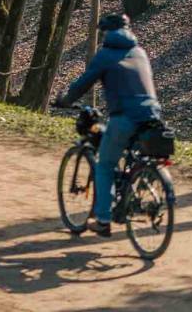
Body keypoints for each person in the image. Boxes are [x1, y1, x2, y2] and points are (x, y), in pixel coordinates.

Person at [54, 12, 162, 237]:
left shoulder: (105, 55)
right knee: (140, 158)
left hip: (124, 117)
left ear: (105, 33)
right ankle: (139, 191)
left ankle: (103, 220)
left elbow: (82, 85)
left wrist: (64, 100)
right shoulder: (140, 53)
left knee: (104, 165)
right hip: (152, 114)